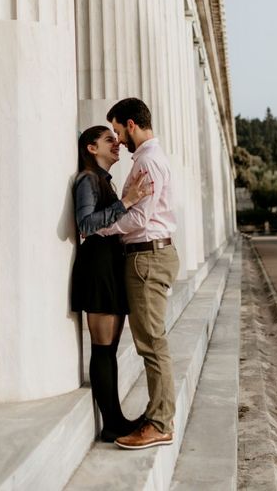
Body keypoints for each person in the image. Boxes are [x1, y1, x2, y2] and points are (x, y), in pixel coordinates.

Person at [96, 98, 179, 450]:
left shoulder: (147, 161)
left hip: (146, 258)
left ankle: (160, 423)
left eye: (117, 130)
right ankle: (157, 413)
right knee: (152, 341)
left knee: (151, 343)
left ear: (131, 124)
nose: (117, 139)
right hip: (151, 255)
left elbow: (139, 218)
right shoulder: (151, 158)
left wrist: (99, 229)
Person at [71, 126, 151, 442]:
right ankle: (113, 424)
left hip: (111, 265)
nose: (117, 143)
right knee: (103, 349)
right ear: (92, 148)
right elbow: (86, 225)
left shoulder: (104, 181)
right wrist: (127, 202)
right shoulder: (87, 181)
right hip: (98, 267)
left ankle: (116, 419)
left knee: (111, 349)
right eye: (108, 140)